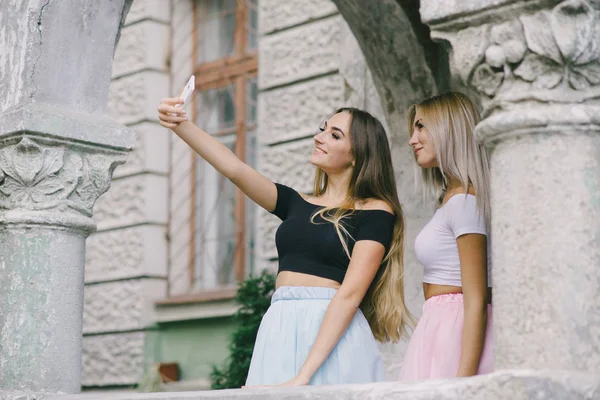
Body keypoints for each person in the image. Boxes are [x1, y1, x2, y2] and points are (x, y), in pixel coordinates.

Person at [157, 99, 411, 386]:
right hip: (279, 324)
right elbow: (235, 169)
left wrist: (303, 375)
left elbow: (350, 295)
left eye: (334, 135)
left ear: (358, 155)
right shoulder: (295, 202)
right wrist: (181, 124)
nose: (319, 137)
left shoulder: (375, 212)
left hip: (330, 332)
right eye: (322, 129)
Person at [399, 92, 493, 380]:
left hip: (455, 328)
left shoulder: (464, 200)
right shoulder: (452, 199)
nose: (412, 139)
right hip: (440, 325)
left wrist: (463, 382)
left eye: (421, 127)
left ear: (448, 129)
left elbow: (476, 298)